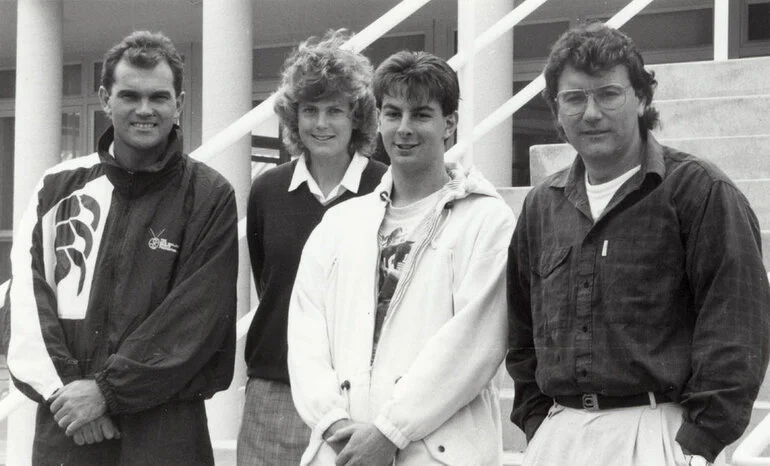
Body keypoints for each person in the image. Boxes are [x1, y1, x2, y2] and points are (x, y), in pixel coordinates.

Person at [506, 22, 770, 466]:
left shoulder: (698, 192)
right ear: (556, 110)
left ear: (642, 99)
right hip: (558, 436)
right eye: (574, 98)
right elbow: (520, 333)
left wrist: (697, 444)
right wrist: (537, 424)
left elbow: (738, 327)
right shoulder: (540, 206)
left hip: (656, 436)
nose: (591, 113)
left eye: (608, 94)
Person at [6, 31, 238, 465]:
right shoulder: (57, 188)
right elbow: (25, 300)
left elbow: (197, 318)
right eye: (129, 95)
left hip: (165, 431)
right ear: (104, 98)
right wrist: (69, 393)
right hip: (70, 427)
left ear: (180, 103)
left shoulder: (209, 194)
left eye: (159, 97)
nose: (145, 110)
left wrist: (105, 392)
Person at [287, 50, 515, 465]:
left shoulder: (486, 220)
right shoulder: (338, 225)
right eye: (393, 114)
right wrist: (334, 423)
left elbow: (472, 347)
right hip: (342, 450)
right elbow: (305, 337)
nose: (404, 129)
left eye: (421, 115)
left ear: (449, 124)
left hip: (434, 453)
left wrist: (390, 432)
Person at [238, 29, 387, 466]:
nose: (321, 124)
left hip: (356, 396)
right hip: (275, 390)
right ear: (293, 117)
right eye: (310, 110)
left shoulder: (385, 186)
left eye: (334, 110)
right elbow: (270, 281)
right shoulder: (268, 189)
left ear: (357, 117)